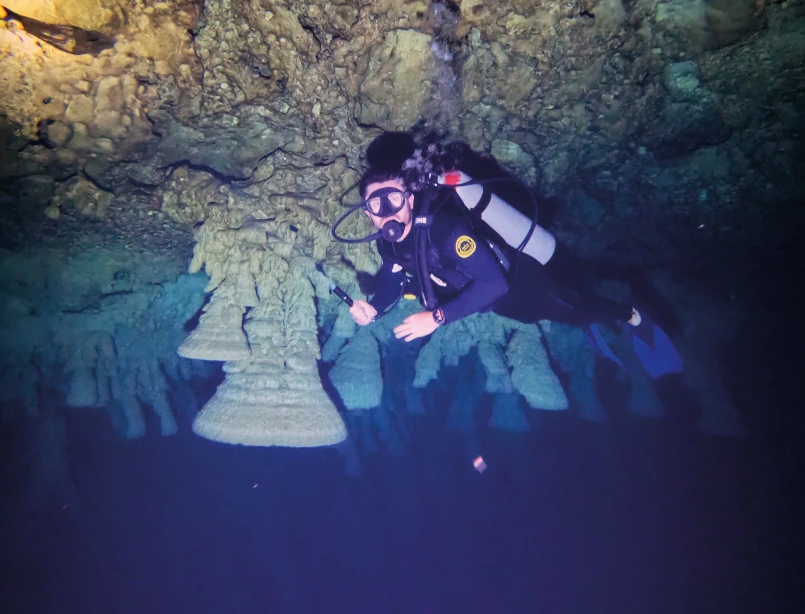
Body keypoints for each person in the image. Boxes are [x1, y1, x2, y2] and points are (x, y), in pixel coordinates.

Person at [342, 133, 683, 378]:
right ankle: (592, 300)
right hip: (492, 302)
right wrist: (374, 306)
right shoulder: (386, 243)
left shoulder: (443, 229)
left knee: (574, 311)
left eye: (394, 200)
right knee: (537, 317)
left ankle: (630, 314)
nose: (387, 213)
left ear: (411, 199)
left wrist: (436, 319)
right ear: (367, 212)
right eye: (376, 204)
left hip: (519, 282)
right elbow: (392, 275)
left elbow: (494, 282)